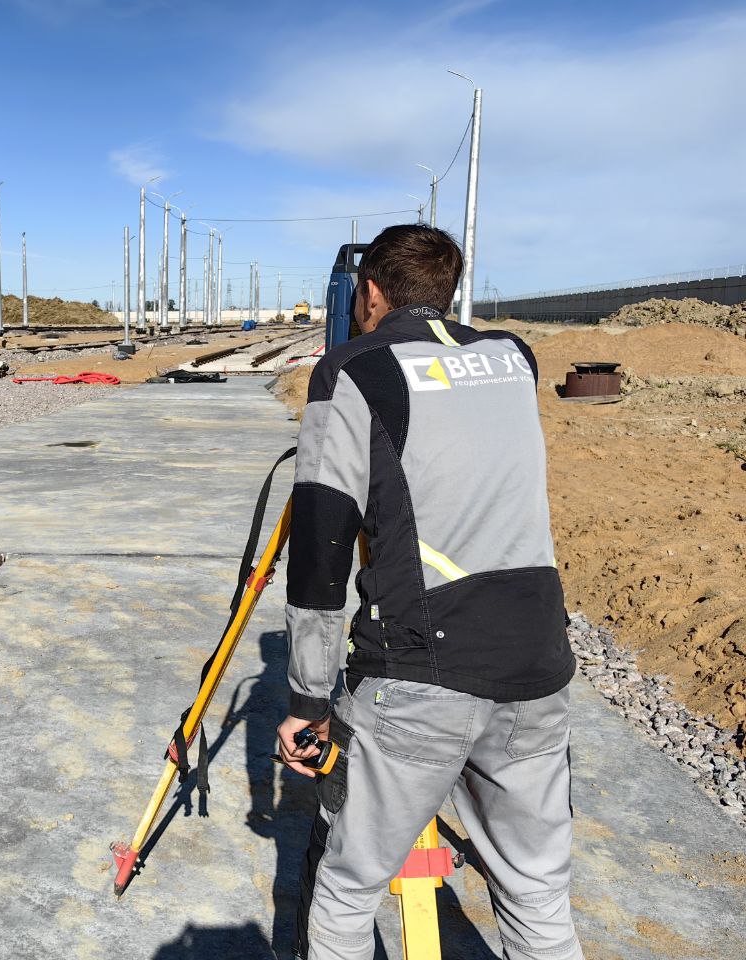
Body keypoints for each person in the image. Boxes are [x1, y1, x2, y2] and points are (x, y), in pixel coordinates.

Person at [278, 224, 581, 960]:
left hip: (420, 668)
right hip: (536, 661)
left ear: (370, 292)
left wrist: (308, 700)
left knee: (349, 889)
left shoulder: (352, 371)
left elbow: (321, 550)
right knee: (537, 893)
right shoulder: (514, 358)